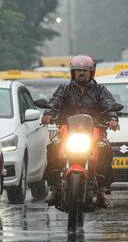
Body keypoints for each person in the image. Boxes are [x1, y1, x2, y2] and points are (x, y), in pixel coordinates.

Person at [43, 55, 119, 207]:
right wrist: (48, 114)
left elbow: (109, 104)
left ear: (92, 72)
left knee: (105, 149)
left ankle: (102, 190)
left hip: (94, 131)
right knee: (53, 146)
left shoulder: (100, 90)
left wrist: (113, 118)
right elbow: (54, 102)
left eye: (85, 71)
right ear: (73, 73)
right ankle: (55, 187)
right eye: (78, 71)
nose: (81, 74)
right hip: (68, 131)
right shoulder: (64, 89)